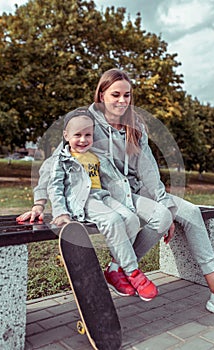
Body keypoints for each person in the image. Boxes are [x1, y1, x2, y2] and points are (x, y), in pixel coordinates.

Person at [17, 68, 214, 316]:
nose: (122, 101)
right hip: (108, 196)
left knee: (190, 212)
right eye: (116, 94)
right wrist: (39, 203)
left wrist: (165, 208)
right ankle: (125, 268)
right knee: (160, 215)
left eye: (127, 95)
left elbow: (148, 170)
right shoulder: (86, 124)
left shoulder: (135, 126)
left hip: (137, 192)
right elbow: (55, 163)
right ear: (101, 94)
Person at [44, 107, 159, 301]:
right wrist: (60, 212)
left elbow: (114, 179)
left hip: (102, 196)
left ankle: (115, 269)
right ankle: (132, 272)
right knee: (113, 220)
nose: (83, 140)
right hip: (84, 201)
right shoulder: (63, 159)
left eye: (88, 135)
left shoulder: (96, 156)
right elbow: (54, 187)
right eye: (77, 135)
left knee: (131, 218)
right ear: (66, 135)